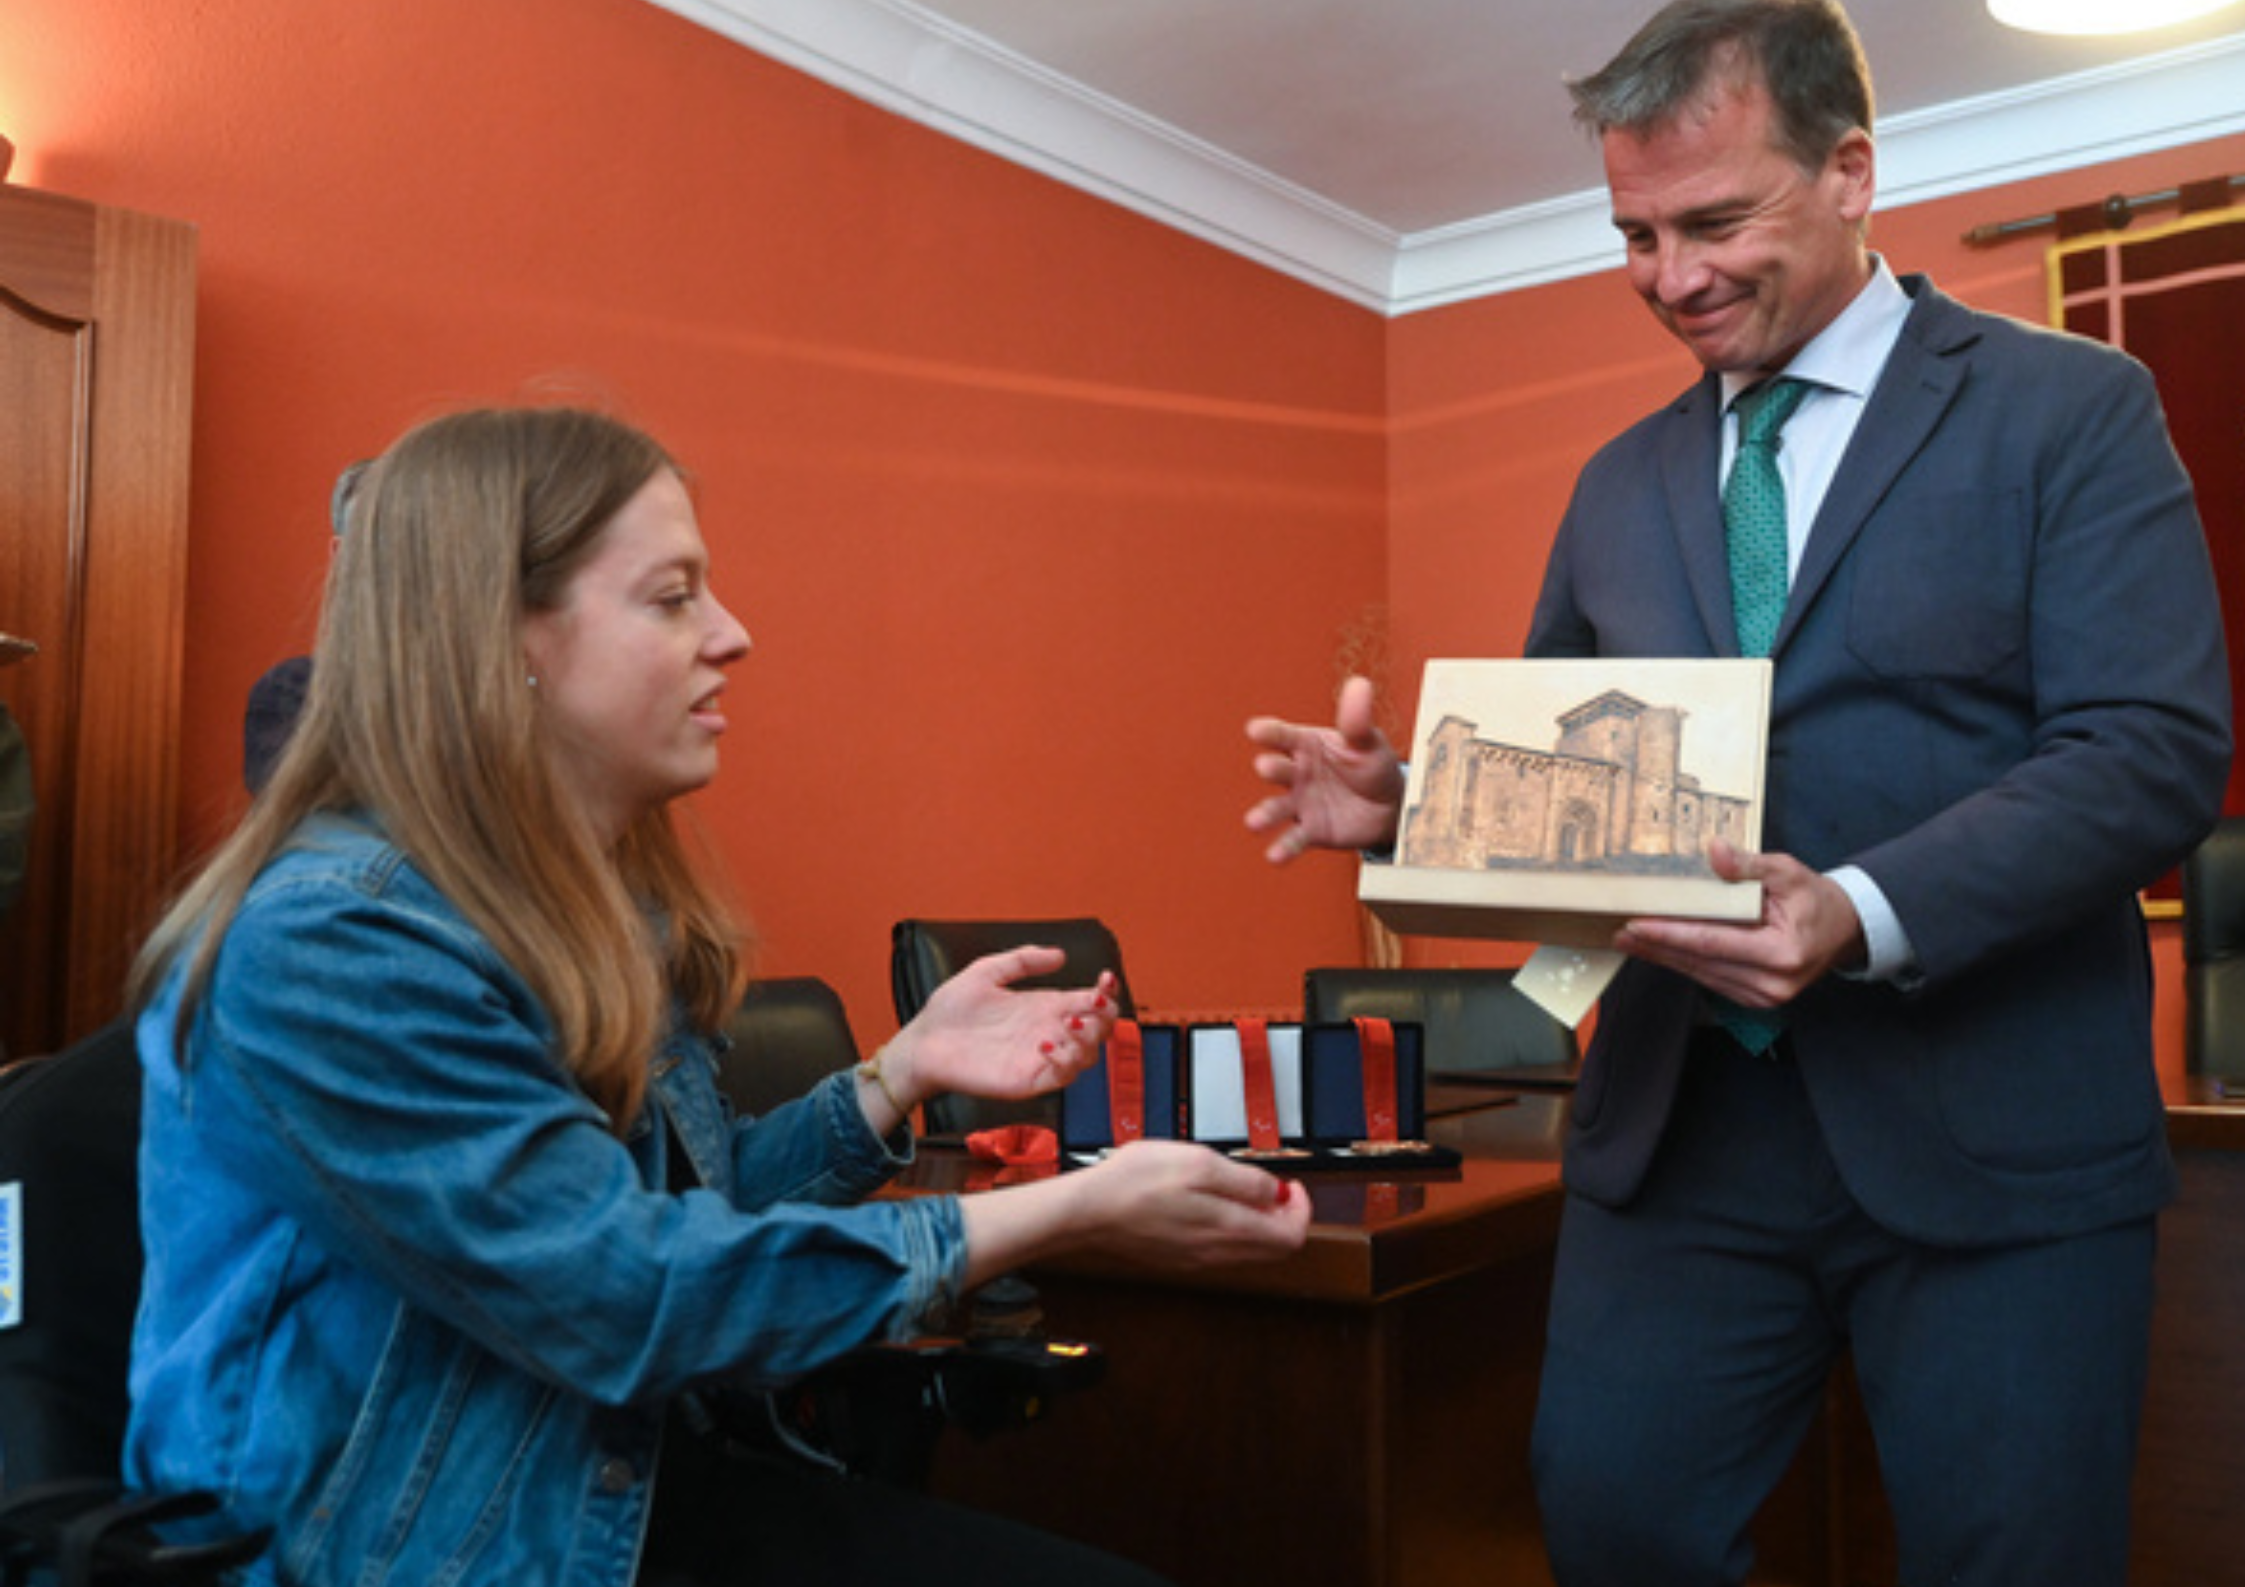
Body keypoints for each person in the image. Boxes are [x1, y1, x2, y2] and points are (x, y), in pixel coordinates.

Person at [1241, 2, 2231, 1582]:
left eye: (1714, 221)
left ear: (1849, 172)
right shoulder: (1615, 484)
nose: (1669, 275)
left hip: (1995, 1133)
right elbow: (1580, 789)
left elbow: (2150, 748)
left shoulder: (2069, 408)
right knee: (1610, 1520)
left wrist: (1858, 910)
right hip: (1683, 1135)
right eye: (1633, 232)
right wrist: (1418, 806)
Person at [127, 404, 1311, 1587]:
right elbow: (626, 1293)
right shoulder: (337, 941)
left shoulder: (594, 909)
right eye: (673, 595)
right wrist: (1071, 1210)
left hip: (616, 1491)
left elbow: (692, 1208)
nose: (733, 635)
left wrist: (899, 1073)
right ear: (504, 640)